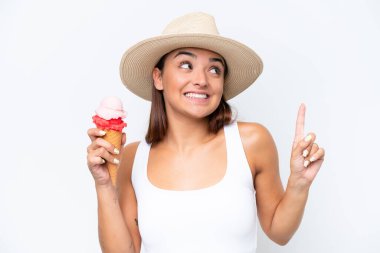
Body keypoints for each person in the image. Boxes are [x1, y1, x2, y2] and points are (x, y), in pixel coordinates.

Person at [86, 12, 325, 253]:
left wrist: (298, 184)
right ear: (158, 77)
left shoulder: (252, 142)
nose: (201, 80)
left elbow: (279, 232)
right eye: (186, 65)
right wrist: (104, 185)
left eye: (214, 70)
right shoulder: (132, 158)